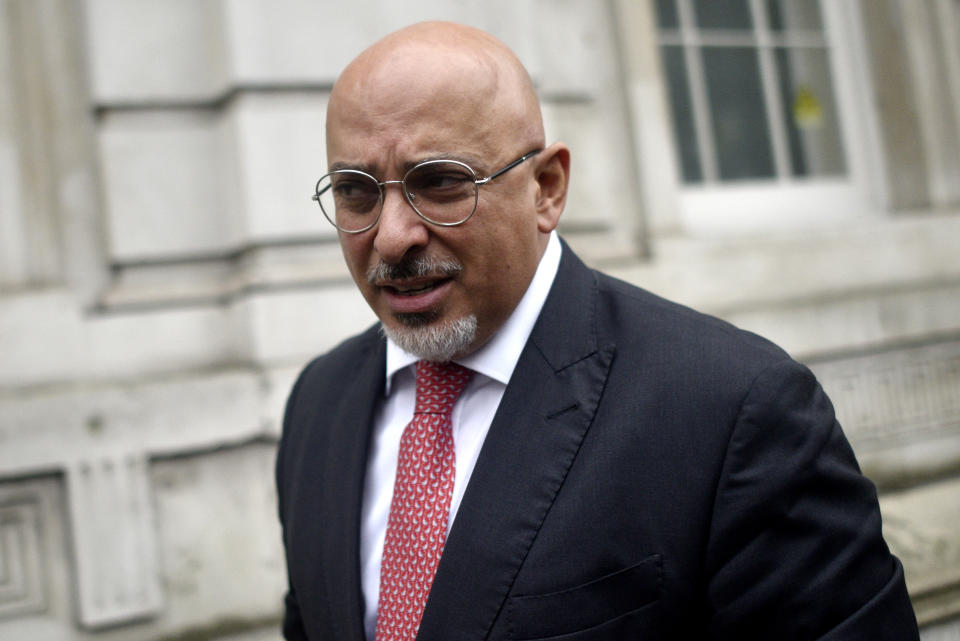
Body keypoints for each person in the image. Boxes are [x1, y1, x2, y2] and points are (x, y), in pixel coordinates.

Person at [276, 21, 919, 641]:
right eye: (357, 192)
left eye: (441, 182)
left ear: (546, 189)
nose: (391, 236)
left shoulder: (732, 411)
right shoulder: (319, 403)